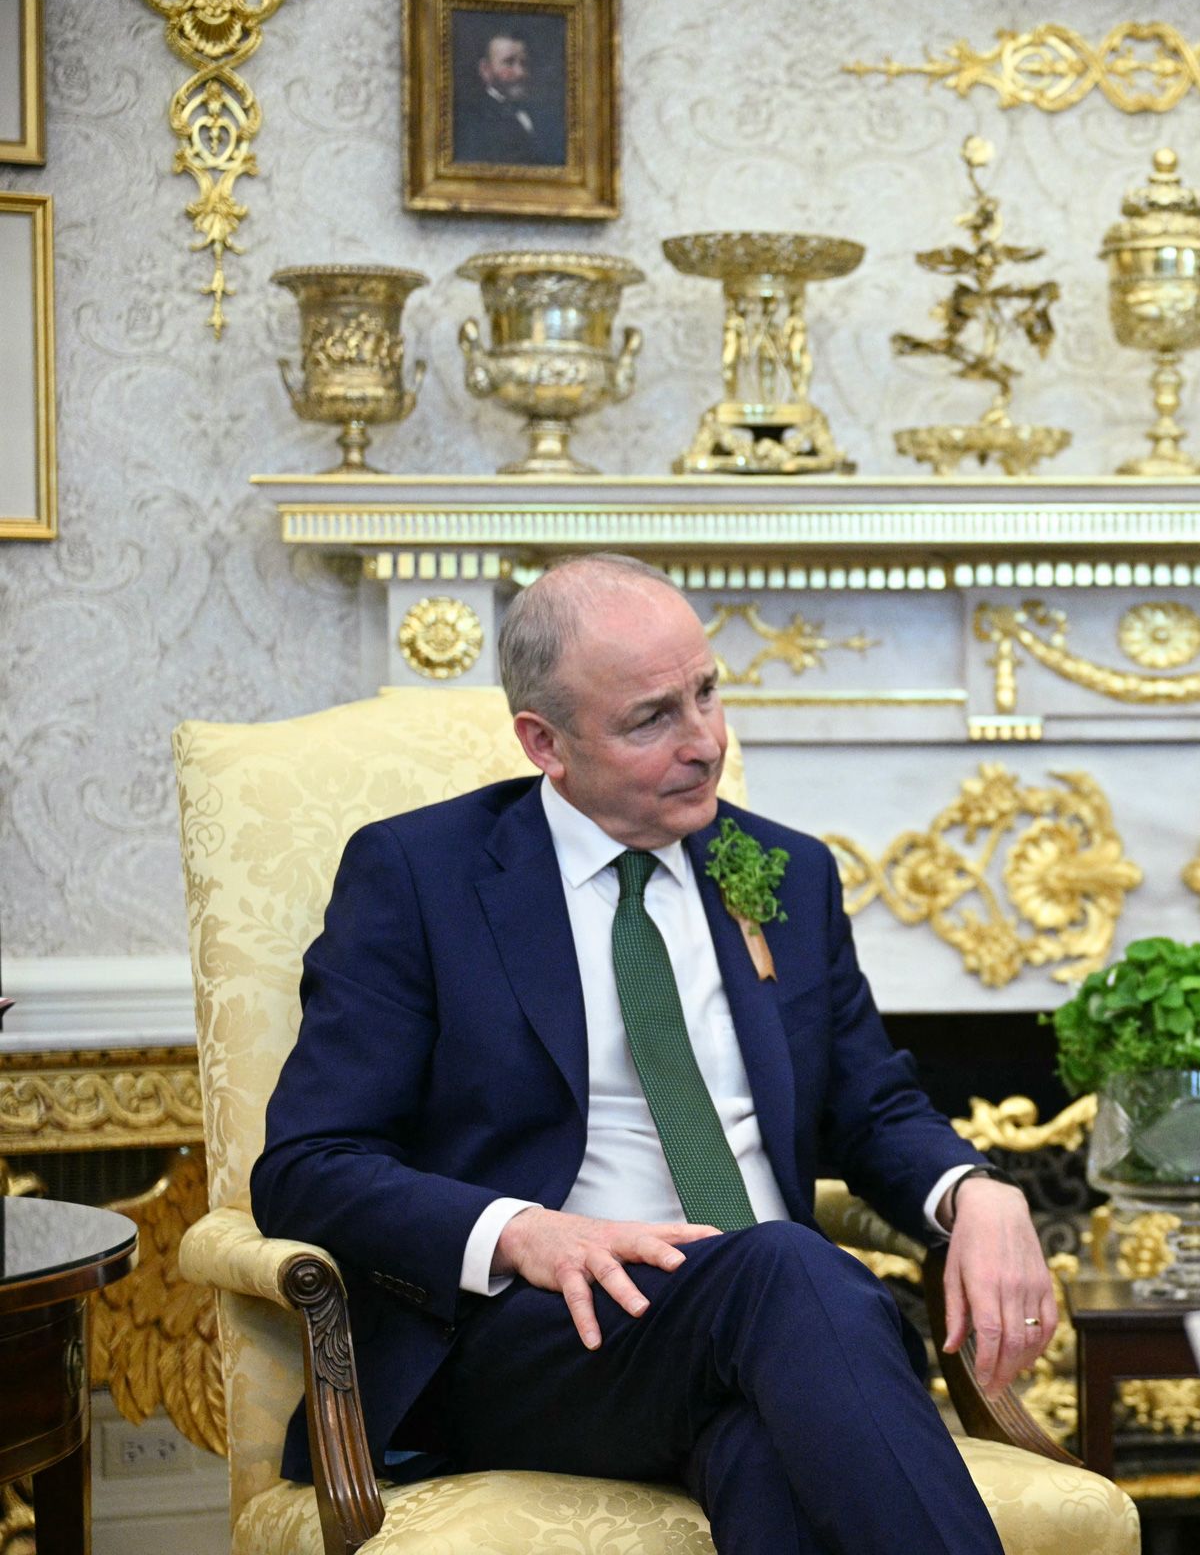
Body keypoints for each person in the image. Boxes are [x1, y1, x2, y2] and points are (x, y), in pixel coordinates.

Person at [251, 554, 1056, 1554]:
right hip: (539, 1335)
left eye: (707, 693)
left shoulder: (787, 872)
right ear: (544, 742)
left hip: (779, 1332)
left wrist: (976, 1193)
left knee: (766, 1442)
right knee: (786, 1273)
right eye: (652, 719)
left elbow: (873, 1105)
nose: (705, 741)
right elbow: (307, 1166)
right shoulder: (422, 876)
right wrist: (522, 1231)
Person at [451, 25, 562, 167]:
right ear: (485, 69)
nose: (521, 73)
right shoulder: (470, 121)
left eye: (524, 63)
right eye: (509, 63)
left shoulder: (545, 115)